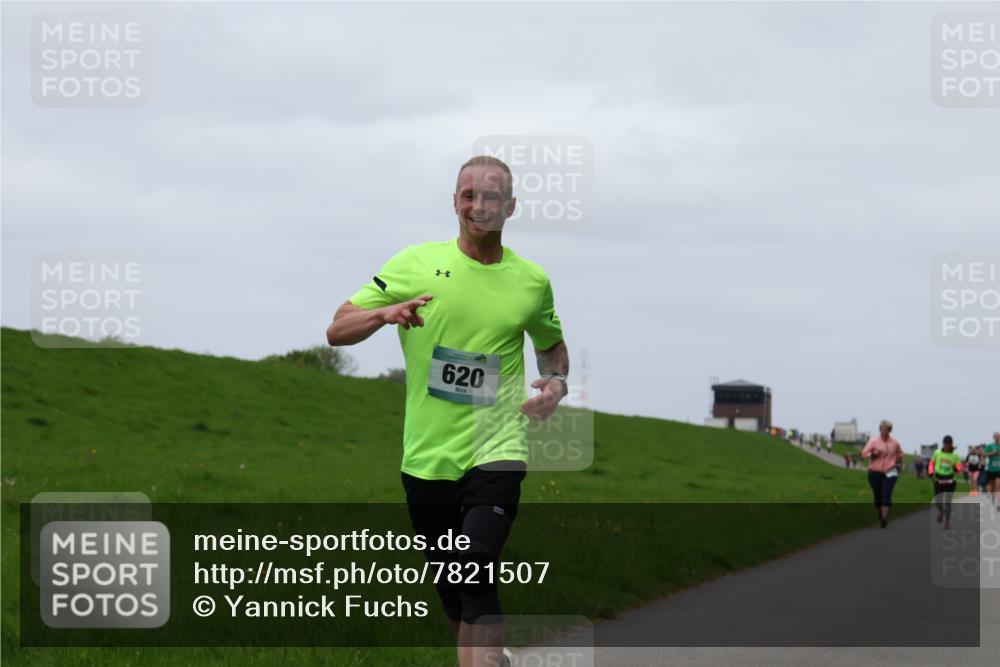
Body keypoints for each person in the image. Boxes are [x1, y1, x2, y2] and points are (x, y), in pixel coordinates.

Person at [326, 155, 568, 667]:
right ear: (454, 202)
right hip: (427, 458)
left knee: (474, 566)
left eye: (491, 197)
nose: (478, 206)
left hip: (496, 448)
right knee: (455, 595)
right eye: (468, 195)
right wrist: (383, 313)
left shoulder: (531, 280)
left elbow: (551, 345)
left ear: (511, 207)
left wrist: (556, 382)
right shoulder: (414, 264)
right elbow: (338, 328)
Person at [861, 420, 905, 528]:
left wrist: (897, 459)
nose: (884, 432)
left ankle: (884, 518)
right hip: (875, 472)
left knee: (886, 494)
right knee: (878, 496)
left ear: (890, 431)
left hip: (890, 471)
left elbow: (900, 453)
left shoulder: (894, 443)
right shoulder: (873, 441)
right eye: (882, 429)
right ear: (880, 429)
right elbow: (864, 453)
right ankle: (880, 514)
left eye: (887, 430)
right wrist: (873, 454)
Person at [928, 436, 963, 529]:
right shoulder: (937, 453)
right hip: (939, 478)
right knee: (938, 501)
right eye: (945, 444)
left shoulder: (955, 455)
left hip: (950, 480)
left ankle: (947, 522)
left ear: (951, 444)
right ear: (943, 444)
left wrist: (957, 468)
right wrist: (931, 472)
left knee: (948, 502)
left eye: (949, 444)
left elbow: (959, 466)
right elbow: (932, 463)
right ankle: (941, 511)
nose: (947, 446)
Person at [985, 432, 1000, 507]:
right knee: (992, 487)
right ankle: (993, 498)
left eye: (998, 436)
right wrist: (993, 453)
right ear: (993, 437)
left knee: (998, 486)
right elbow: (984, 454)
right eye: (996, 436)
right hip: (991, 469)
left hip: (999, 470)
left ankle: (998, 504)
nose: (997, 438)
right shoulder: (990, 446)